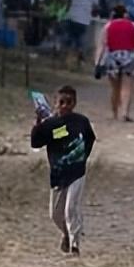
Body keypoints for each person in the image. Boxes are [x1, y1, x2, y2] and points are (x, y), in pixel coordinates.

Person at [30, 85, 96, 256]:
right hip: (58, 174)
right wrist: (37, 123)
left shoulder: (81, 121)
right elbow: (36, 143)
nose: (65, 106)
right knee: (55, 214)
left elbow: (90, 138)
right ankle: (66, 233)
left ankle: (75, 245)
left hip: (76, 172)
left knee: (71, 209)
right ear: (55, 103)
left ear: (75, 103)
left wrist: (82, 157)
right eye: (61, 102)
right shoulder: (50, 124)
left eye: (69, 102)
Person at [97, 4, 134, 121]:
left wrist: (98, 63)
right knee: (127, 87)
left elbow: (102, 45)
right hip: (129, 57)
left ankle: (114, 113)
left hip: (112, 58)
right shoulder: (132, 25)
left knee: (114, 88)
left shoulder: (108, 26)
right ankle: (124, 112)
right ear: (125, 14)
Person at [63, 0, 100, 68]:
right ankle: (79, 58)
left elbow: (67, 4)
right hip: (84, 20)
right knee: (80, 40)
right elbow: (96, 8)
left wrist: (64, 13)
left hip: (72, 18)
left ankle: (68, 59)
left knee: (70, 38)